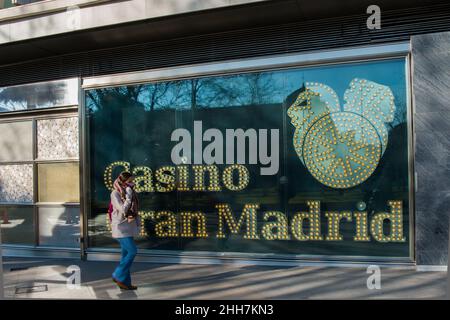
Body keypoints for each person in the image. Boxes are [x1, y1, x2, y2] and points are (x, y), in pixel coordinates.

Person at [110, 171, 140, 290]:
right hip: (121, 228)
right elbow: (123, 210)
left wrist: (138, 225)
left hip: (129, 227)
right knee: (132, 251)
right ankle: (117, 274)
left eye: (133, 181)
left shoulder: (131, 192)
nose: (132, 183)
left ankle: (125, 283)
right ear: (123, 182)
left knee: (125, 255)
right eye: (130, 181)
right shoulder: (115, 193)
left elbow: (135, 211)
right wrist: (128, 196)